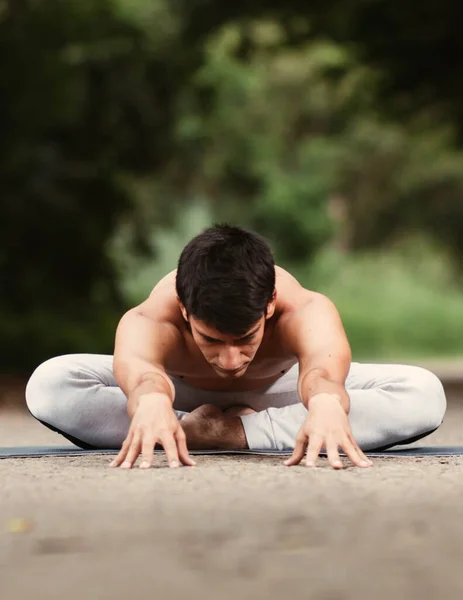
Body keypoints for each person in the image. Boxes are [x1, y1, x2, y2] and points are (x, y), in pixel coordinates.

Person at [25, 224, 447, 470]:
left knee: (424, 394)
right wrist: (151, 398)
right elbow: (141, 370)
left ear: (268, 306)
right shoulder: (154, 316)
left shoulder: (303, 308)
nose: (230, 361)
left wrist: (326, 405)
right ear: (186, 312)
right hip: (179, 393)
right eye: (212, 340)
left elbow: (320, 373)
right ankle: (168, 424)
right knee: (50, 384)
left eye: (245, 339)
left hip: (282, 394)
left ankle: (216, 433)